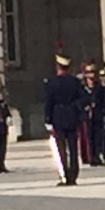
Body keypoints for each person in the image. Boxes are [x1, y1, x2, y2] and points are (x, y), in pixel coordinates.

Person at [42, 52, 83, 185]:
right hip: (72, 116)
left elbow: (49, 103)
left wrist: (48, 120)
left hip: (58, 117)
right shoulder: (75, 82)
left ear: (58, 66)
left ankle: (65, 175)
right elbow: (82, 99)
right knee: (73, 148)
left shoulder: (52, 83)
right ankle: (74, 175)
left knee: (61, 150)